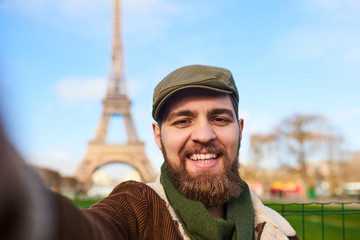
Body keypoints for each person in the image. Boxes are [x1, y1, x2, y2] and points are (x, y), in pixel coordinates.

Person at [0, 64, 300, 239]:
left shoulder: (279, 231)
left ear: (240, 129)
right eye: (183, 121)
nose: (204, 135)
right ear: (157, 135)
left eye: (219, 119)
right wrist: (20, 201)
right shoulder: (136, 210)